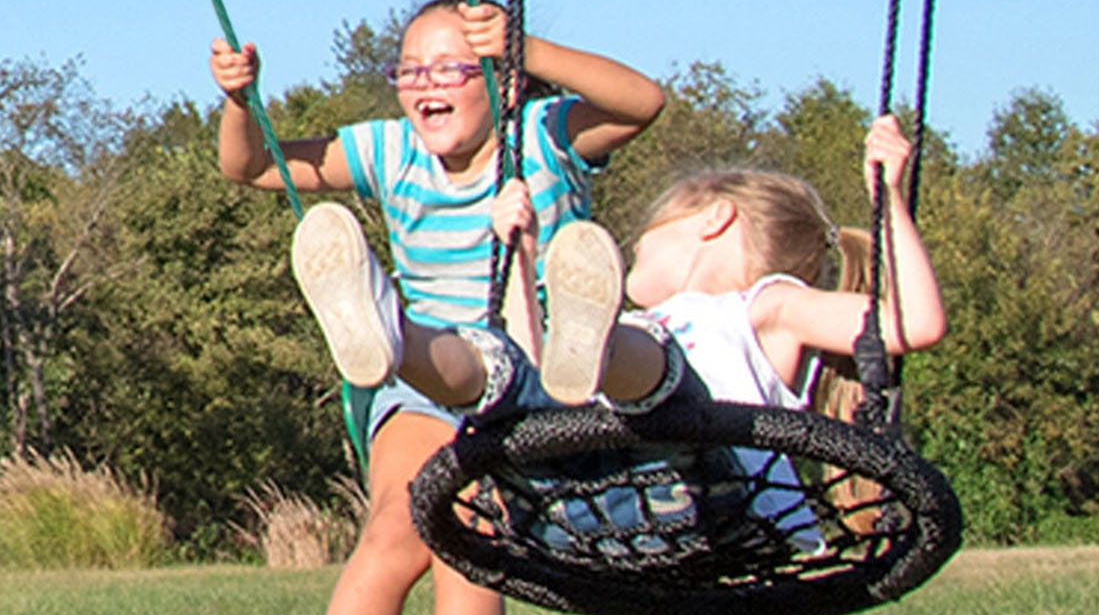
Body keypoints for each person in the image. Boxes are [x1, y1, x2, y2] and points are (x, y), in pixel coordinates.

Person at [211, 0, 663, 615]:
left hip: (534, 380)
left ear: (498, 77)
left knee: (471, 530)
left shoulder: (543, 138)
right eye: (409, 71)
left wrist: (532, 48)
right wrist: (240, 104)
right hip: (422, 387)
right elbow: (251, 167)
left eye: (452, 68)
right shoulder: (389, 150)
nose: (426, 87)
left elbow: (643, 102)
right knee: (395, 523)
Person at [299, 114, 949, 549]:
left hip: (718, 503)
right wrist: (521, 259)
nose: (638, 240)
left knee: (659, 373)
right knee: (506, 371)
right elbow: (540, 369)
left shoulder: (765, 307)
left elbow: (912, 326)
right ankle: (397, 337)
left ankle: (596, 353)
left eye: (652, 229)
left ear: (715, 219)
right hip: (599, 503)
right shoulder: (648, 323)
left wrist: (891, 197)